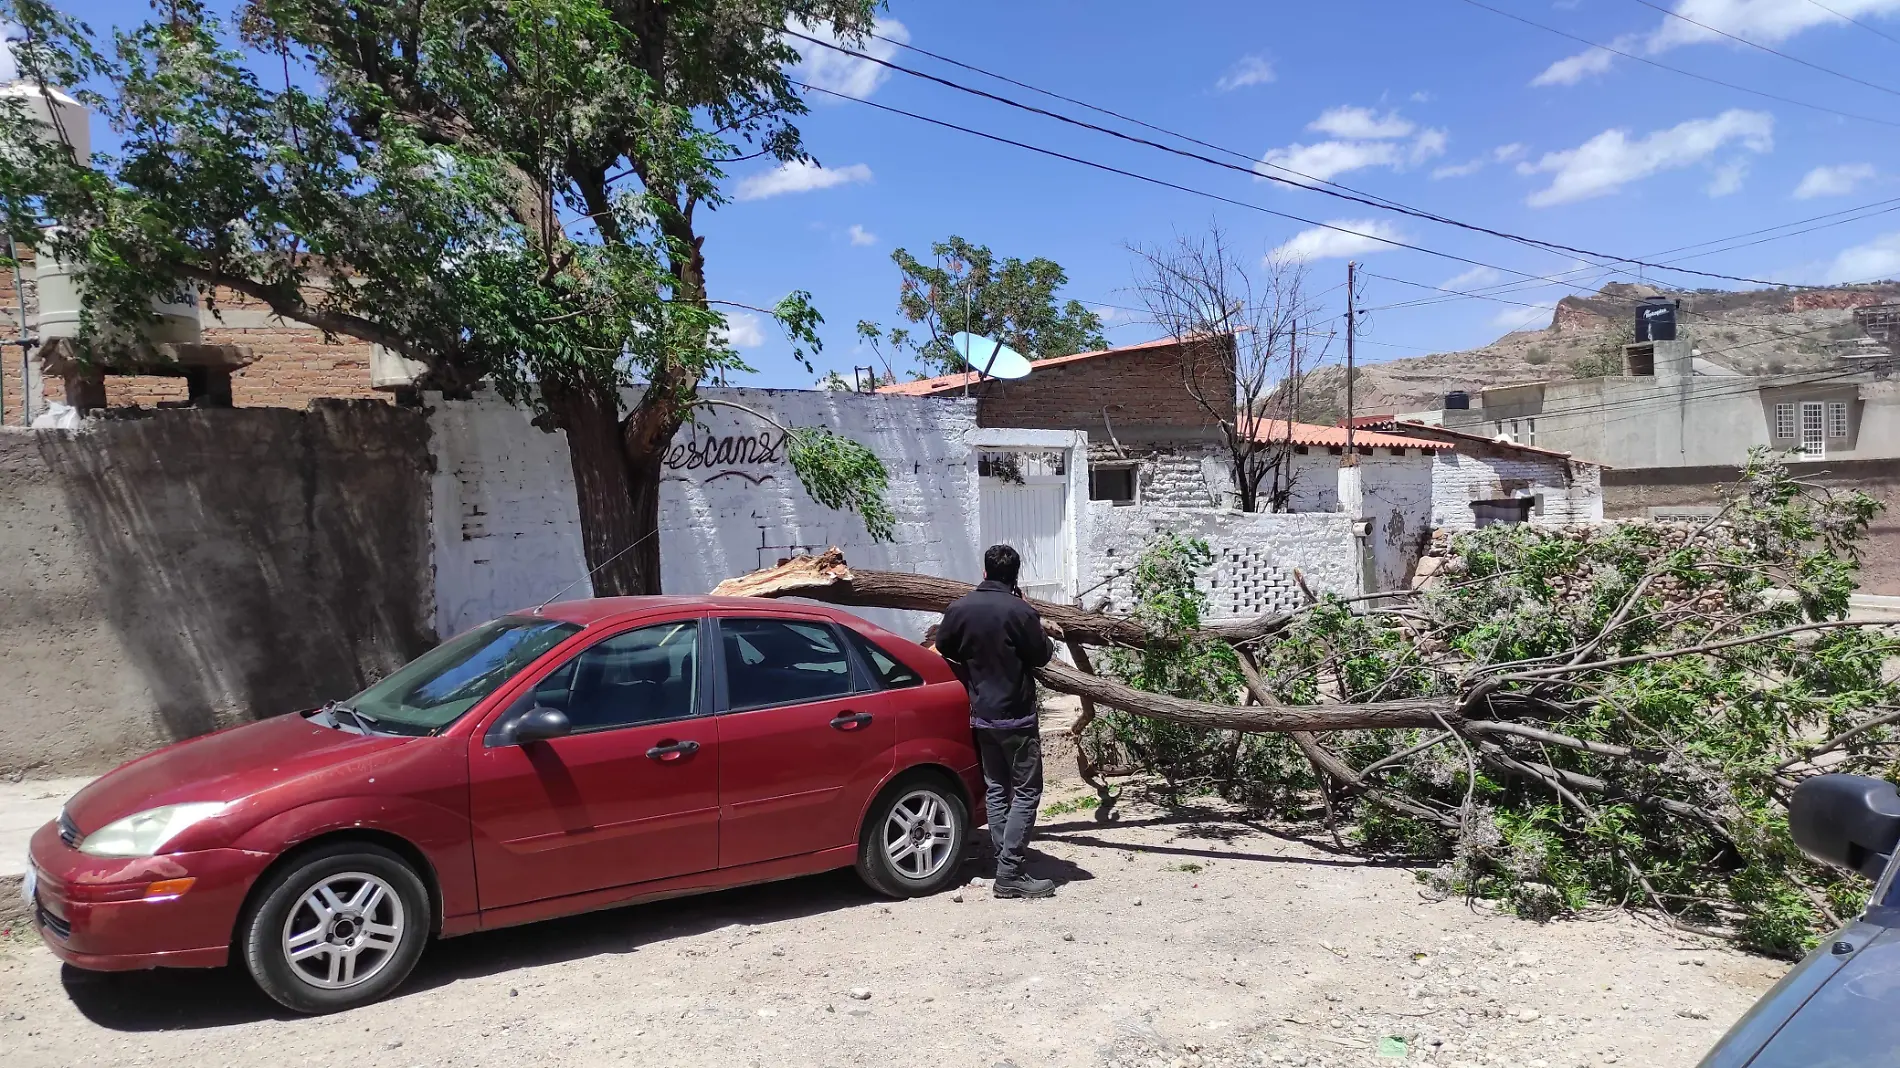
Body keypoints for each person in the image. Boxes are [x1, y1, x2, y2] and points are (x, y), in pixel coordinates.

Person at [935, 544, 1057, 899]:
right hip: (1016, 717)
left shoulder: (960, 607)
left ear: (985, 572)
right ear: (1015, 576)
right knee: (1027, 790)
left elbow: (945, 645)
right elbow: (1041, 655)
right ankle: (1010, 872)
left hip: (981, 715)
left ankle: (1004, 860)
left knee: (997, 788)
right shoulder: (1020, 611)